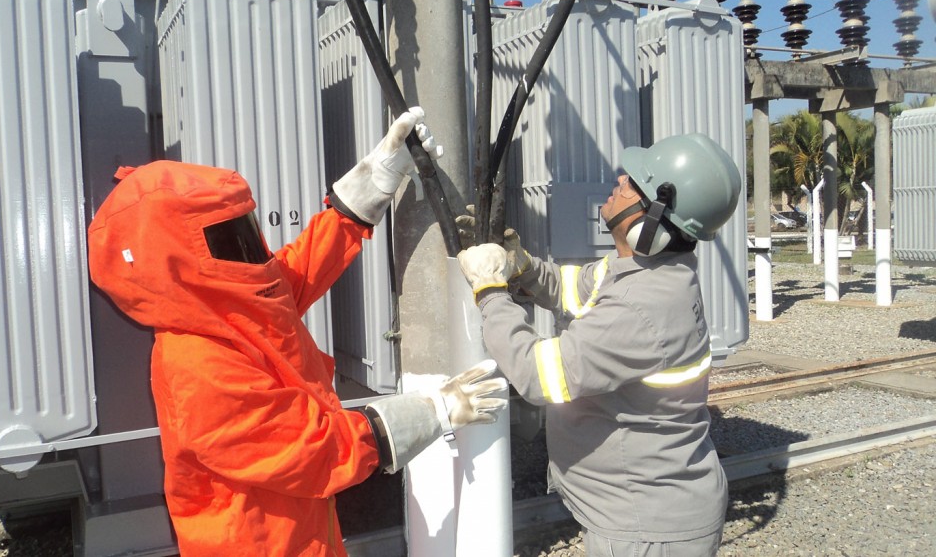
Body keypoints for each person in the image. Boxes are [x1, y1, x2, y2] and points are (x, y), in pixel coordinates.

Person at [87, 107, 507, 557]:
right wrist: (431, 412)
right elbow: (312, 450)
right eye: (227, 237)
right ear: (175, 266)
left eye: (244, 229)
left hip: (300, 533)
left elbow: (299, 268)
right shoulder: (197, 365)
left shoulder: (228, 305)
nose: (250, 251)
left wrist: (377, 177)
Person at [456, 132, 742, 557]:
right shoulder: (645, 270)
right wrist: (522, 267)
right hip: (647, 512)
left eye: (634, 184)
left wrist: (491, 293)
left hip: (646, 528)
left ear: (652, 220)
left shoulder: (644, 307)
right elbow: (576, 289)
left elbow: (538, 375)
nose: (620, 180)